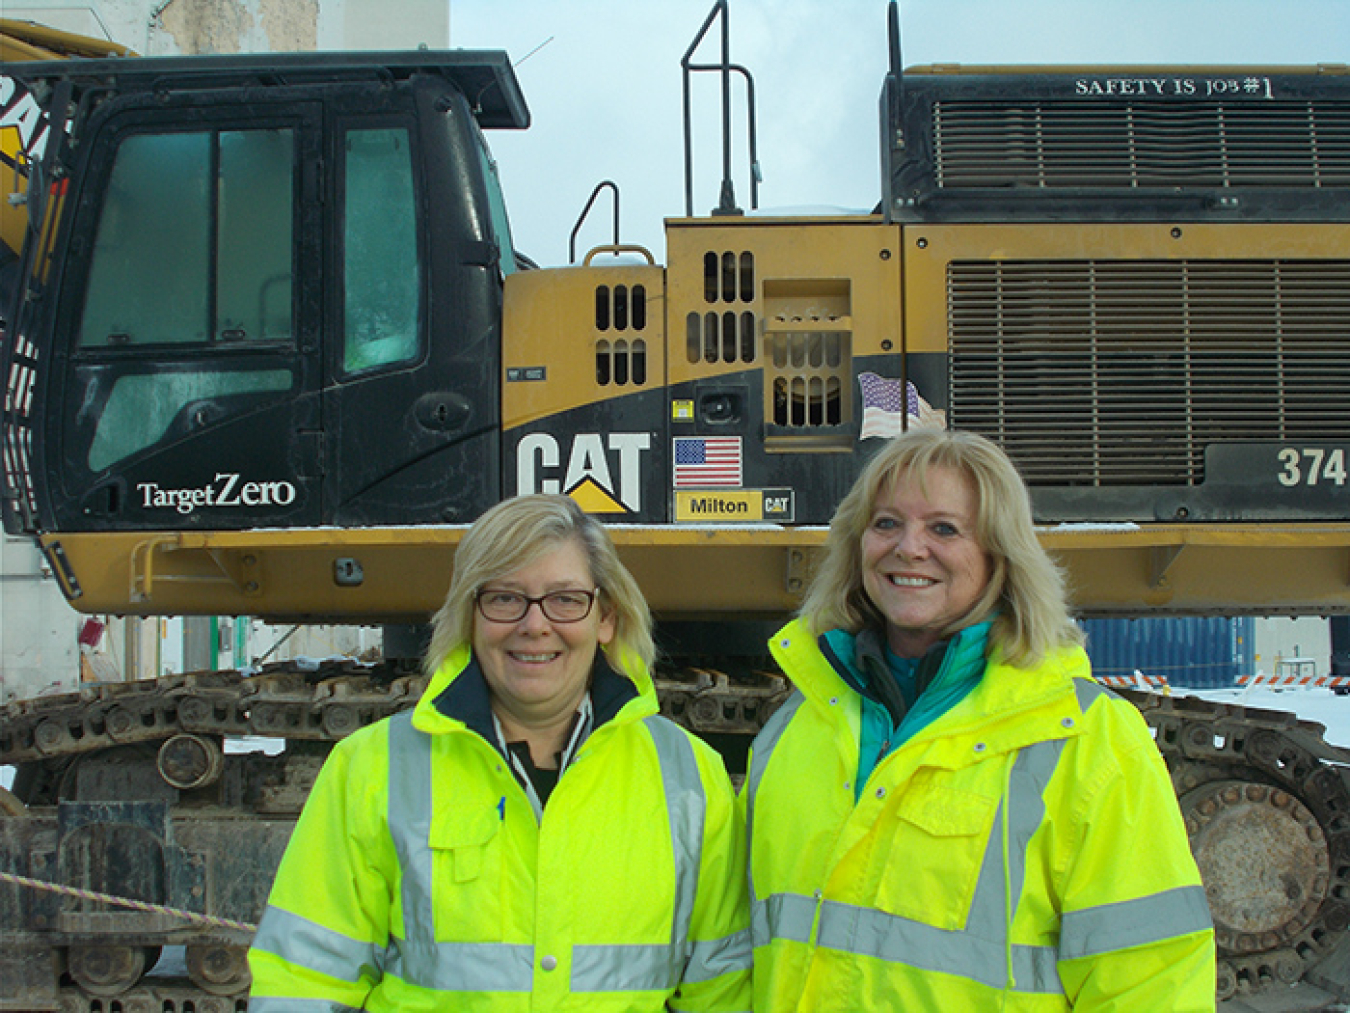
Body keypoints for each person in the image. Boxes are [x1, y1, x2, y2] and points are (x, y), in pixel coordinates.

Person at [743, 429, 1215, 1011]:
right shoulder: (798, 724)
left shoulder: (1085, 738)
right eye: (886, 523)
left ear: (1000, 553)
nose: (909, 548)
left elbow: (1152, 977)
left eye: (944, 528)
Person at [248, 493, 752, 1011]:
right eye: (505, 598)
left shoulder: (690, 777)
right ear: (470, 616)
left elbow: (721, 990)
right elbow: (304, 980)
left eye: (566, 599)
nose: (534, 625)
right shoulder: (373, 768)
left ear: (605, 617)